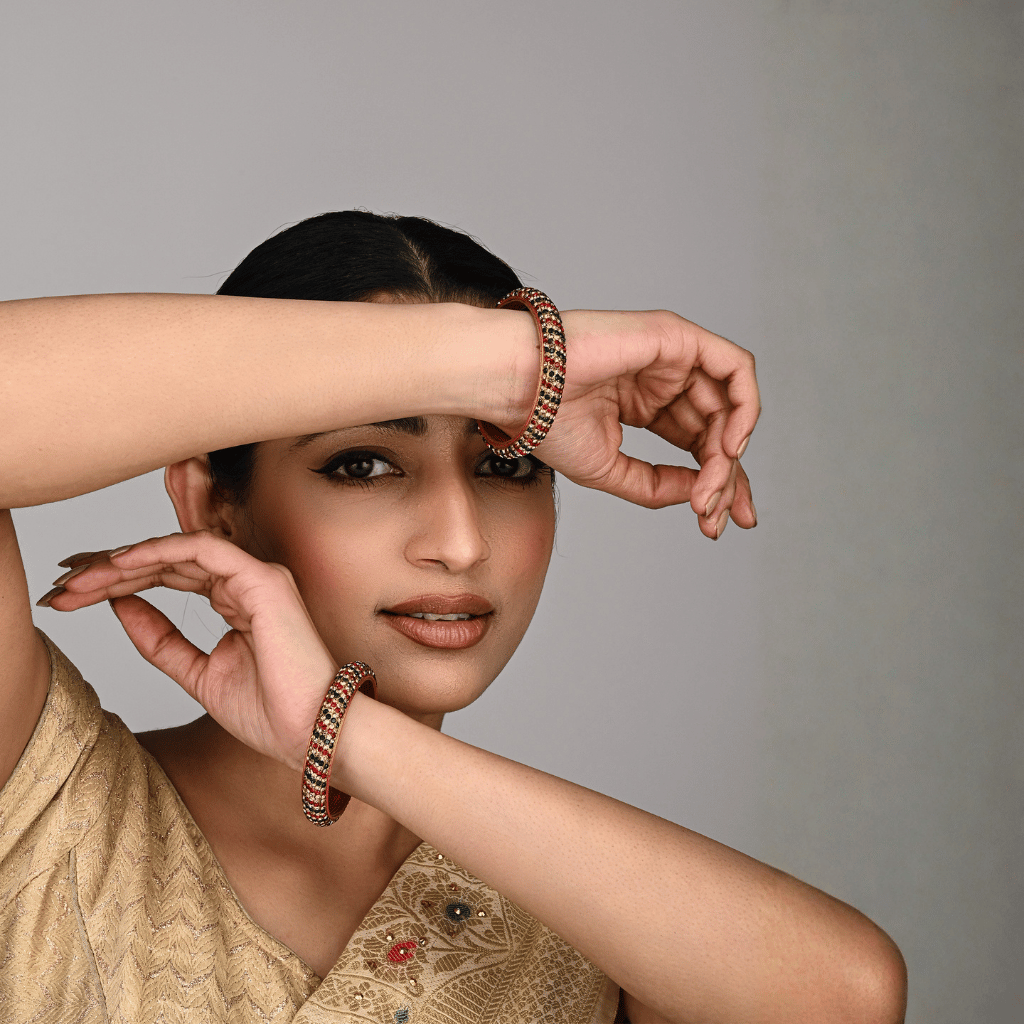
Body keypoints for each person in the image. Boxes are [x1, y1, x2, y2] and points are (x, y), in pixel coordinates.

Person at [0, 212, 906, 1024]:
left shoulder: (590, 937)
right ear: (211, 502)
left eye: (507, 466)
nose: (460, 541)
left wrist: (341, 736)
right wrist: (517, 367)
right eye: (364, 464)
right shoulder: (42, 806)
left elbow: (846, 997)